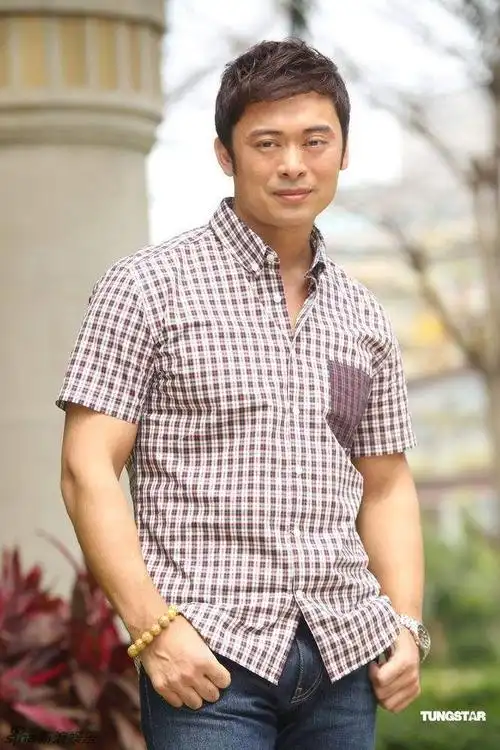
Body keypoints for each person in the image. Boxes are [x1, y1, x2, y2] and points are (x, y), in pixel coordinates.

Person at [56, 38, 430, 750]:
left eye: (315, 140)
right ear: (225, 155)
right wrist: (153, 629)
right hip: (209, 662)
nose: (293, 164)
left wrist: (405, 622)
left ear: (343, 151)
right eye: (267, 142)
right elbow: (86, 469)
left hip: (345, 660)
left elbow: (385, 483)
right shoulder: (146, 288)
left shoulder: (363, 316)